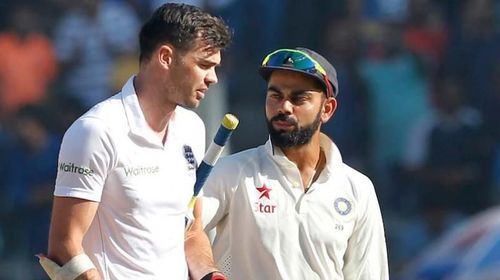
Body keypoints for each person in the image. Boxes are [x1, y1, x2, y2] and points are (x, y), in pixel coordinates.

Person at [43, 3, 231, 280]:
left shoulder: (193, 127)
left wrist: (211, 275)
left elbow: (191, 229)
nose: (213, 78)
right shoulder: (95, 131)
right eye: (204, 65)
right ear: (166, 57)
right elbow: (64, 246)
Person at [200, 47, 389, 279]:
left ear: (327, 110)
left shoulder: (358, 189)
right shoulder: (230, 172)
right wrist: (207, 272)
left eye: (299, 98)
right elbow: (184, 232)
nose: (284, 107)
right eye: (275, 95)